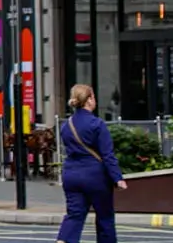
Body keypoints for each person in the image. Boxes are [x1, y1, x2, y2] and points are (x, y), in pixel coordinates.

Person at [55, 84, 126, 243]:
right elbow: (107, 155)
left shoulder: (66, 125)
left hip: (71, 175)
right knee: (104, 217)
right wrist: (117, 178)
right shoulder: (97, 124)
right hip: (95, 176)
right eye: (93, 97)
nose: (94, 100)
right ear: (88, 100)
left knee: (74, 215)